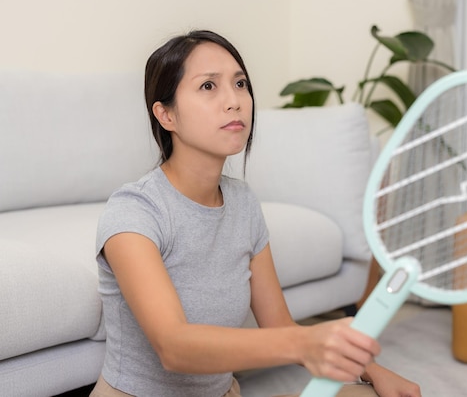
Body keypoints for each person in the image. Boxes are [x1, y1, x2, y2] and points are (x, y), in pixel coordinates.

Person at [90, 29, 422, 397]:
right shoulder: (134, 212)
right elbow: (173, 346)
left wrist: (371, 371)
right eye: (208, 87)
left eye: (240, 83)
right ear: (166, 114)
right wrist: (306, 344)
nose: (234, 101)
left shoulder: (243, 203)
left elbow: (278, 324)